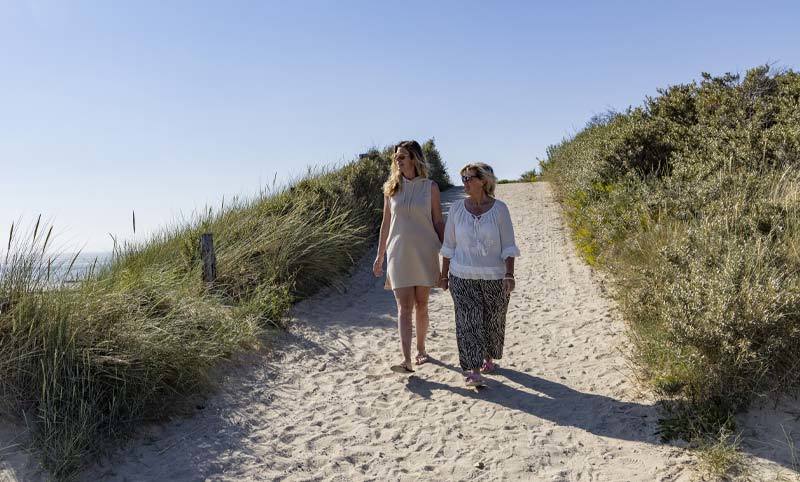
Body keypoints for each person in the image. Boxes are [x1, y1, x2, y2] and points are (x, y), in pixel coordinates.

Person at [439, 162, 519, 387]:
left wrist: (509, 274)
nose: (465, 182)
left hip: (495, 276)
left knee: (492, 321)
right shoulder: (456, 209)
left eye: (469, 178)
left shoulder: (500, 209)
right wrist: (444, 275)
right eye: (463, 178)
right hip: (461, 275)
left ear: (484, 180)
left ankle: (488, 359)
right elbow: (449, 245)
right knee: (468, 322)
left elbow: (509, 246)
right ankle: (473, 371)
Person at [373, 140, 445, 373]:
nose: (398, 160)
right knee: (404, 306)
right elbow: (385, 224)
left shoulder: (430, 187)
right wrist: (379, 255)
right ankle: (406, 359)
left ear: (414, 158)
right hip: (398, 252)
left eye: (402, 156)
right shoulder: (391, 188)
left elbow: (437, 220)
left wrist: (449, 249)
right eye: (396, 157)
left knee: (422, 304)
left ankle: (421, 350)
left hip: (425, 251)